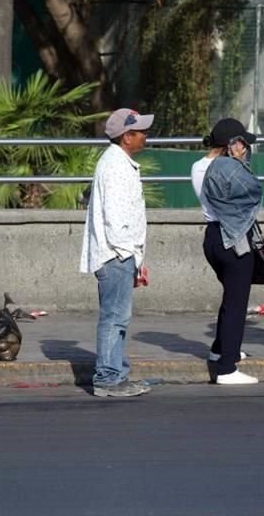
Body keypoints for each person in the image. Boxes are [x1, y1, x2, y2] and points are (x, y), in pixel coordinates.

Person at [80, 108, 153, 398]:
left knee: (118, 317)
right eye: (141, 132)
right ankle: (109, 378)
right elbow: (117, 217)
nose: (145, 137)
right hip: (116, 254)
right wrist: (130, 254)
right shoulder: (116, 167)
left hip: (120, 254)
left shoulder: (118, 162)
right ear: (127, 137)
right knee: (114, 317)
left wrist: (137, 259)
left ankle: (117, 373)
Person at [200, 119, 261, 384]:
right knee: (237, 304)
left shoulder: (199, 167)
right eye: (243, 143)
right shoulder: (229, 168)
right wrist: (240, 163)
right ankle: (226, 368)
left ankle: (221, 350)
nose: (246, 148)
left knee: (230, 298)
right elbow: (253, 191)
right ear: (232, 144)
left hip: (212, 236)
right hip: (234, 238)